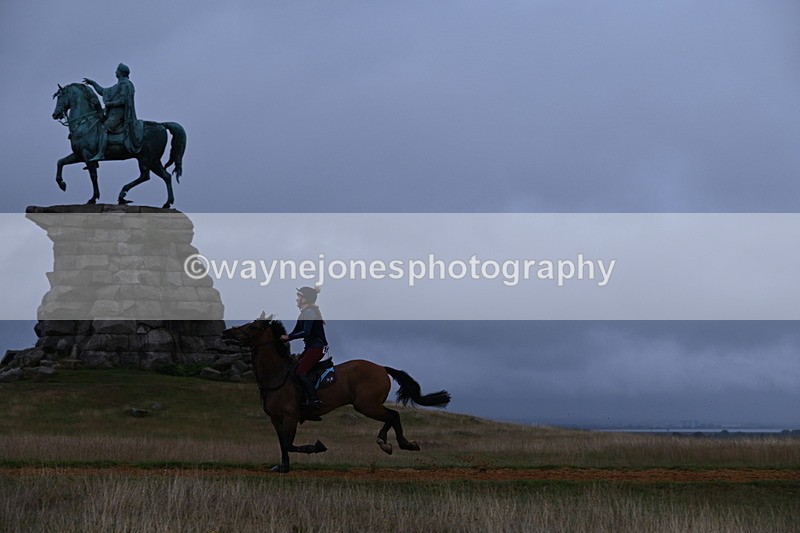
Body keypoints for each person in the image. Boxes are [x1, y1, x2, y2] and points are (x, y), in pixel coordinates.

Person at [83, 63, 143, 160]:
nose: (115, 72)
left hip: (119, 115)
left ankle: (101, 154)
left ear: (121, 73)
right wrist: (93, 83)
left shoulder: (126, 84)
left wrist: (111, 104)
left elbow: (123, 100)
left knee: (103, 128)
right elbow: (103, 91)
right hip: (112, 114)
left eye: (117, 70)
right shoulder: (118, 85)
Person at [280, 286, 328, 408]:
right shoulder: (304, 313)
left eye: (299, 296)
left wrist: (288, 338)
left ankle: (314, 400)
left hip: (317, 347)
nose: (297, 299)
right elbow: (293, 332)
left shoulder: (309, 312)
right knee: (295, 369)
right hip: (310, 347)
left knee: (301, 372)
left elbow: (306, 332)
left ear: (305, 299)